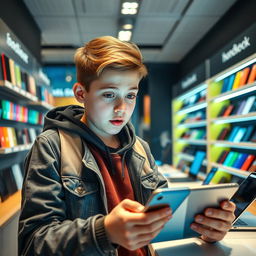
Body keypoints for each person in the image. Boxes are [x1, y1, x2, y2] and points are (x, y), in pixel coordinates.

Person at [18, 36, 236, 256]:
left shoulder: (140, 148)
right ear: (81, 94)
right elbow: (33, 243)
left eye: (130, 95)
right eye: (109, 95)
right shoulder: (51, 147)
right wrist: (104, 232)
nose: (121, 108)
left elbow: (168, 218)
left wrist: (204, 228)